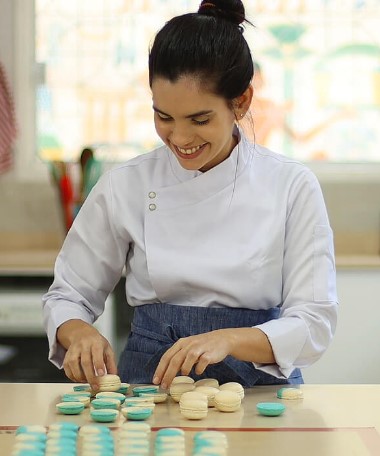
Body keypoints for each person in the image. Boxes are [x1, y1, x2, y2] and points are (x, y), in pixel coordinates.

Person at [43, 0, 338, 392]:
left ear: (242, 102)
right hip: (150, 387)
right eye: (163, 117)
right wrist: (77, 331)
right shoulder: (126, 184)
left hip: (260, 389)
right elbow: (68, 294)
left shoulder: (291, 186)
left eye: (200, 120)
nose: (179, 139)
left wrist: (230, 339)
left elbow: (314, 322)